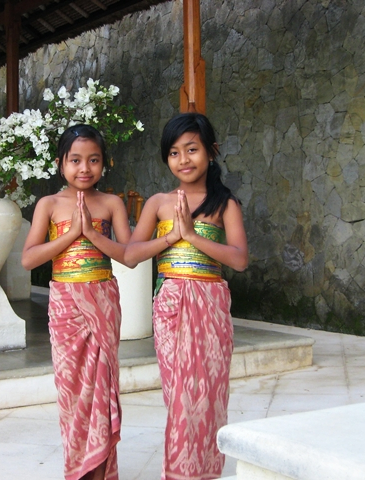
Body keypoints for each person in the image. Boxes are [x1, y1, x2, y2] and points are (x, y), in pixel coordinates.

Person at [125, 113, 248, 479]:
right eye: (174, 153)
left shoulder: (225, 205)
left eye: (192, 150)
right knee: (180, 398)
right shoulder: (158, 203)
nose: (184, 160)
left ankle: (205, 472)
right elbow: (131, 255)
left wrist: (193, 236)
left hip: (210, 305)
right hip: (170, 306)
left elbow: (239, 260)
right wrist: (170, 238)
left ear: (211, 152)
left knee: (208, 397)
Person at [21, 124, 131, 480]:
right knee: (73, 391)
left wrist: (93, 235)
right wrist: (71, 234)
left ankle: (101, 471)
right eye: (76, 160)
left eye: (93, 160)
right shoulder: (49, 204)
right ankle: (79, 470)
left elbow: (128, 256)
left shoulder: (112, 203)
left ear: (104, 164)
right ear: (60, 163)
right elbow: (29, 258)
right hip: (67, 305)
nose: (85, 168)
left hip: (102, 299)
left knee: (101, 387)